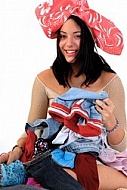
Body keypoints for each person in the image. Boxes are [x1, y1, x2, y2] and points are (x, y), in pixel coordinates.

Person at [0, 0, 127, 189]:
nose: (69, 44)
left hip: (97, 159)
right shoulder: (44, 79)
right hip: (54, 156)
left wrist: (110, 122)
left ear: (89, 39)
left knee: (51, 175)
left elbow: (121, 146)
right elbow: (33, 130)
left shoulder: (109, 81)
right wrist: (17, 150)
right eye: (63, 36)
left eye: (77, 36)